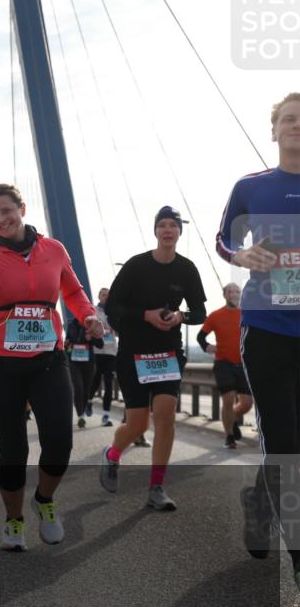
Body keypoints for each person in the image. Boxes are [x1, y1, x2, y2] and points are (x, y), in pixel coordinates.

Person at [0, 183, 102, 552]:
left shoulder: (54, 249)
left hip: (49, 359)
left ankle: (44, 499)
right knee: (13, 450)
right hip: (2, 364)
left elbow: (73, 291)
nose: (1, 219)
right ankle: (14, 519)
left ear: (22, 209)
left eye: (6, 211)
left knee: (60, 442)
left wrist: (88, 315)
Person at [216, 92, 300, 588]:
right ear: (274, 131)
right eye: (288, 119)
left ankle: (259, 502)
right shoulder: (251, 187)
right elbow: (223, 239)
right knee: (285, 444)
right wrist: (241, 257)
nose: (296, 126)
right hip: (267, 329)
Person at [99, 207, 207, 511]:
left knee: (165, 413)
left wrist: (180, 316)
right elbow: (113, 309)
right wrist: (145, 315)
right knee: (138, 425)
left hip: (168, 352)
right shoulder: (136, 266)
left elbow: (200, 312)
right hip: (133, 353)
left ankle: (157, 487)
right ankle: (112, 455)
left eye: (173, 225)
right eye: (162, 225)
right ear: (156, 231)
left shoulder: (187, 269)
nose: (168, 230)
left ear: (179, 232)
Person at [197, 283, 253, 449]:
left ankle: (232, 419)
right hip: (224, 363)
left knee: (247, 403)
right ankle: (229, 436)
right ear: (224, 295)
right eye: (230, 292)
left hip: (243, 364)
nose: (233, 294)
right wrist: (208, 347)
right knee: (228, 399)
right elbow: (201, 337)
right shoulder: (215, 315)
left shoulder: (248, 315)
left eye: (236, 291)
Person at [65, 314, 103, 429]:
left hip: (88, 362)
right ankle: (80, 415)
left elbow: (100, 344)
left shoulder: (92, 324)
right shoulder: (71, 324)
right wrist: (67, 342)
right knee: (78, 387)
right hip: (74, 360)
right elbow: (68, 339)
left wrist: (91, 339)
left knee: (86, 389)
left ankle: (83, 410)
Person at [91, 287, 118, 426]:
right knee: (95, 381)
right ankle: (89, 401)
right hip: (97, 351)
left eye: (108, 295)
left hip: (111, 352)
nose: (106, 297)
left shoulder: (115, 311)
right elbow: (88, 328)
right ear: (99, 296)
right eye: (103, 294)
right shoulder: (94, 311)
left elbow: (119, 331)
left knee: (108, 383)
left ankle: (106, 415)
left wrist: (116, 328)